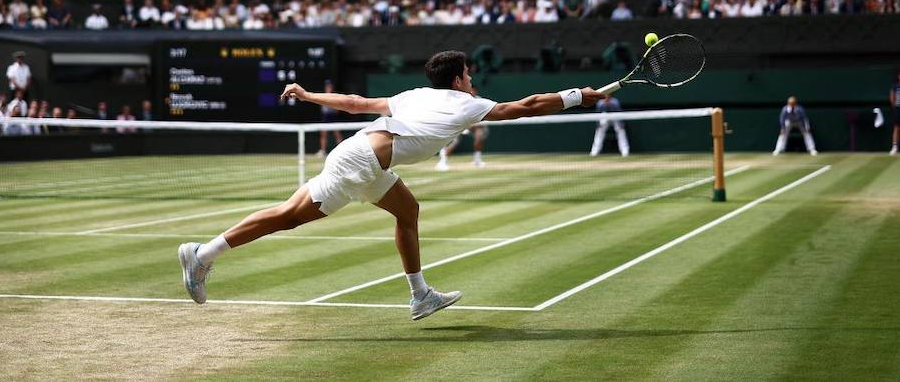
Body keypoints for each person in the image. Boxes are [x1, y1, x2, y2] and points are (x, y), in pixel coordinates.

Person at [176, 50, 608, 320]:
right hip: (359, 163)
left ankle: (421, 296)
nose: (472, 80)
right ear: (458, 78)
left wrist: (310, 96)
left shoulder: (416, 94)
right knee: (286, 218)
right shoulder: (467, 105)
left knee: (408, 211)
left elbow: (357, 104)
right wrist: (578, 96)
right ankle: (202, 254)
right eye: (469, 75)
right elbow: (527, 106)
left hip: (366, 159)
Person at [317, 78, 346, 159]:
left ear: (332, 87)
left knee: (337, 134)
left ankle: (342, 151)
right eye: (327, 86)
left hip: (333, 116)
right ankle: (323, 151)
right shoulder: (322, 96)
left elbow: (338, 109)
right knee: (323, 134)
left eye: (329, 86)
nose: (328, 87)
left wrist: (332, 107)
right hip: (325, 117)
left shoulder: (334, 96)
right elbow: (321, 107)